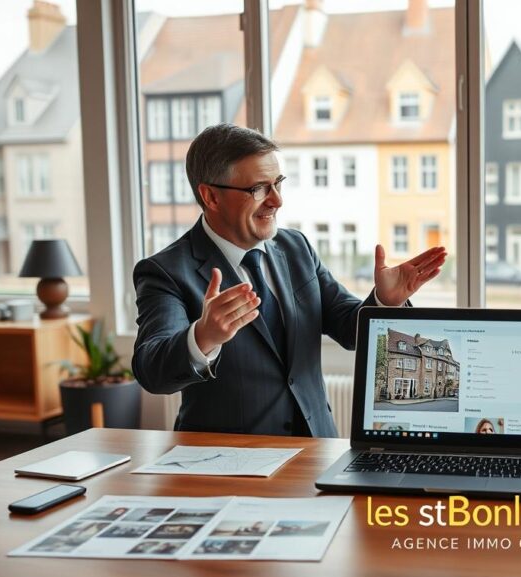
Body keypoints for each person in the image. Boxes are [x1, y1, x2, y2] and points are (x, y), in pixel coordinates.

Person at [132, 124, 447, 437]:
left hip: (316, 449)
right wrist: (203, 337)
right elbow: (152, 371)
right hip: (229, 465)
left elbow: (349, 327)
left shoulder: (296, 248)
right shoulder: (166, 271)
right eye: (258, 189)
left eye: (278, 183)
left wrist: (384, 301)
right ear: (211, 196)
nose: (276, 201)